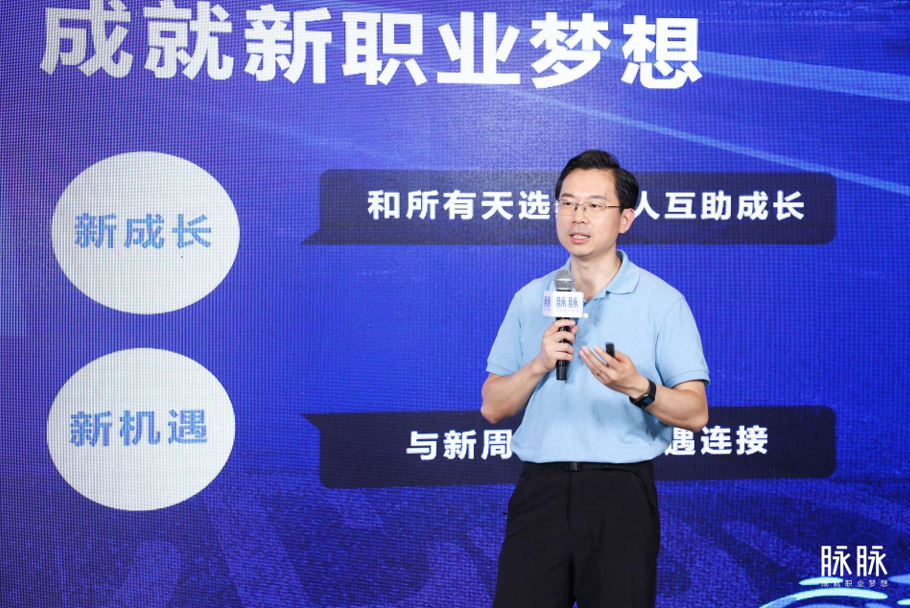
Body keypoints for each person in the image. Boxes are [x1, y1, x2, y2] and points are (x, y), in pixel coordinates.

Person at [481, 150, 710, 608]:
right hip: (540, 492)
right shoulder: (531, 298)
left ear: (625, 219)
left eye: (594, 205)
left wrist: (638, 387)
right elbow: (492, 406)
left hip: (619, 494)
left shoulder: (662, 302)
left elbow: (696, 414)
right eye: (567, 203)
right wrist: (539, 364)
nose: (577, 216)